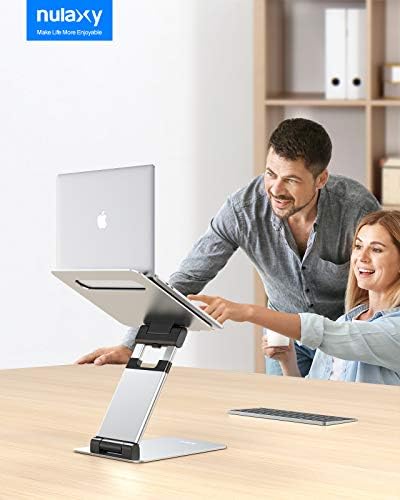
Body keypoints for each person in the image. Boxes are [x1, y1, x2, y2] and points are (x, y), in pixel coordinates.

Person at [76, 118, 380, 375]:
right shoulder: (243, 211)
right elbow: (187, 279)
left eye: (291, 180)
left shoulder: (355, 208)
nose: (275, 189)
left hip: (345, 336)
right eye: (270, 174)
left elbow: (387, 279)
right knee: (284, 416)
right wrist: (131, 345)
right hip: (283, 337)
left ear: (321, 179)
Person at [188, 210, 400, 385]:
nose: (362, 257)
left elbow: (328, 333)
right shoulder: (347, 320)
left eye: (376, 249)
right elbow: (313, 395)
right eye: (358, 246)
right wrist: (287, 360)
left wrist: (248, 312)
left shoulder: (395, 329)